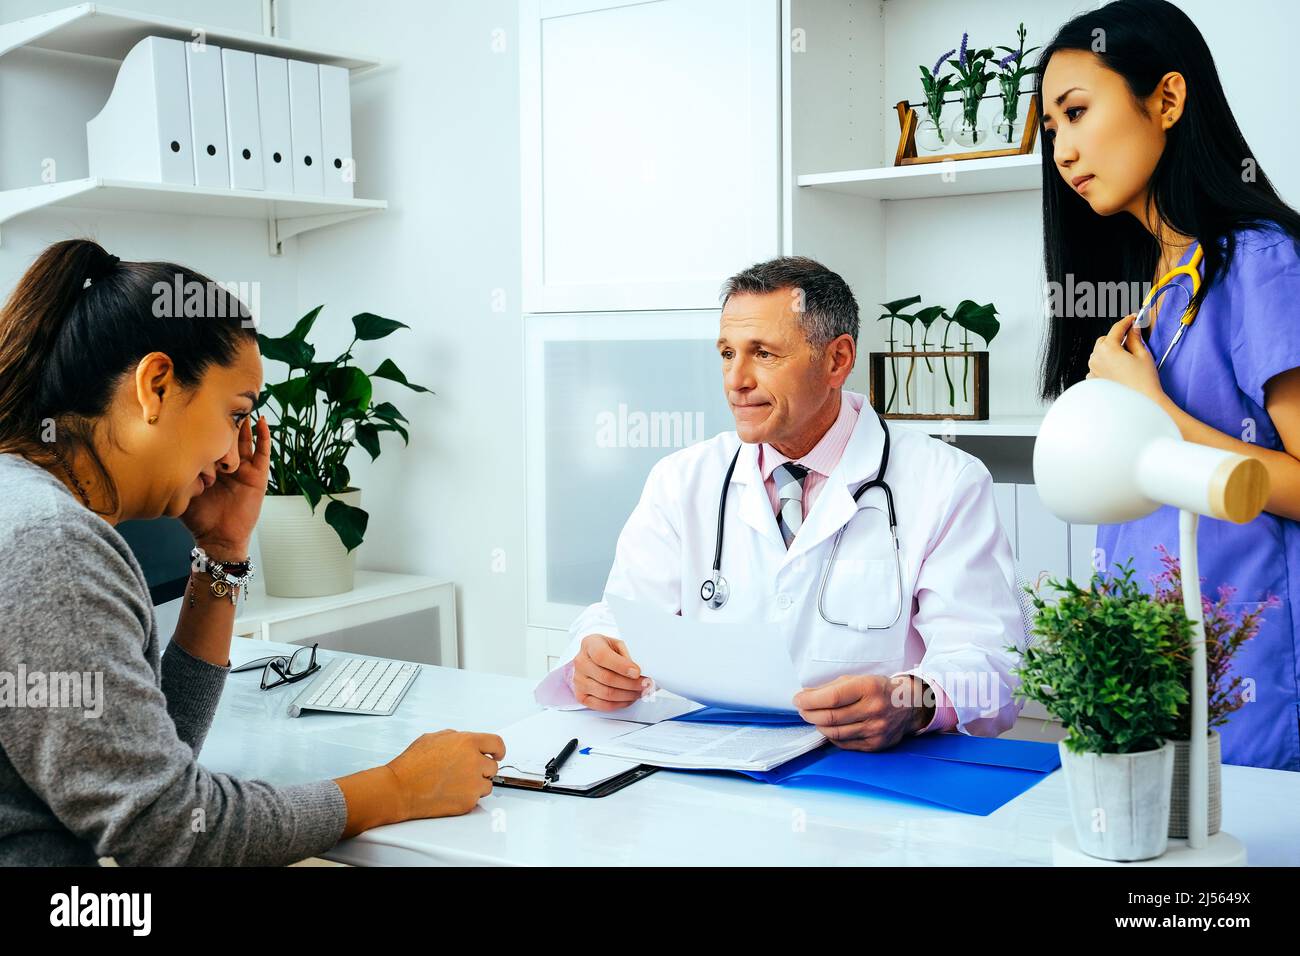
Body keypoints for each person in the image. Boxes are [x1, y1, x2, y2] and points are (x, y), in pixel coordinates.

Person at [0, 239, 504, 865]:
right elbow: (167, 829)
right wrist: (397, 788)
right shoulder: (53, 545)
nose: (237, 455)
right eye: (236, 413)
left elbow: (151, 766)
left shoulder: (28, 511)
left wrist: (223, 550)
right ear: (156, 385)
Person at [536, 256, 1025, 748]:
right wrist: (595, 660)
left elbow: (992, 663)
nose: (735, 380)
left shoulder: (946, 481)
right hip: (711, 763)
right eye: (727, 353)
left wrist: (915, 701)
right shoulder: (682, 479)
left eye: (763, 354)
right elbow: (621, 618)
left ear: (837, 360)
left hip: (871, 775)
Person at [1036, 0, 1300, 770]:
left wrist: (1153, 411)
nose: (1063, 150)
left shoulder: (1261, 263)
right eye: (1053, 131)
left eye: (1077, 112)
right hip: (1151, 670)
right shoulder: (1151, 290)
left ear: (1169, 100)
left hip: (1250, 668)